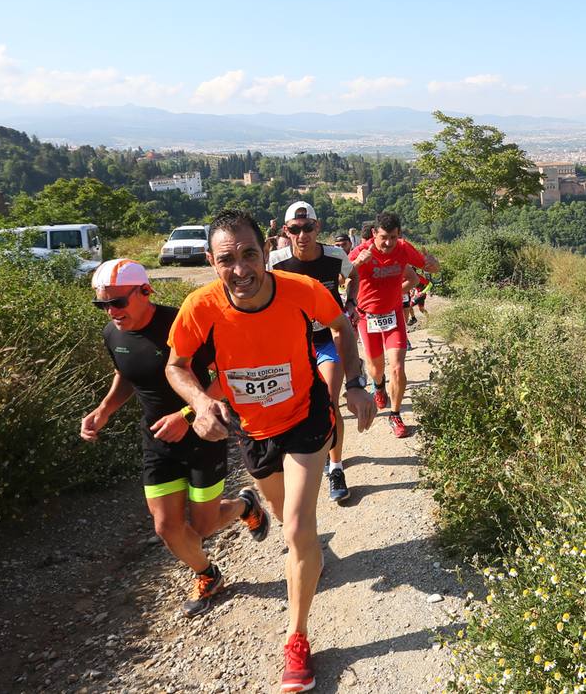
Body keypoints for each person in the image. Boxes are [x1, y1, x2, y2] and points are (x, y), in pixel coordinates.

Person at [166, 210, 376, 692]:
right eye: (227, 260)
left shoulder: (301, 291)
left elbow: (341, 326)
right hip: (252, 430)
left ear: (266, 253)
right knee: (287, 521)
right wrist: (199, 402)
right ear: (210, 261)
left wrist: (357, 383)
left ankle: (296, 637)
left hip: (304, 417)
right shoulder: (200, 307)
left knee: (299, 527)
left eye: (249, 255)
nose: (240, 269)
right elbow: (177, 365)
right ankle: (275, 523)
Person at [80, 258, 269, 619]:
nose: (111, 312)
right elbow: (128, 374)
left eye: (118, 302)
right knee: (166, 527)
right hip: (157, 440)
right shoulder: (112, 334)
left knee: (203, 526)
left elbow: (228, 373)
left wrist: (188, 414)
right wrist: (104, 410)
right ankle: (208, 575)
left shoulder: (181, 323)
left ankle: (245, 505)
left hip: (202, 432)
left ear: (145, 291)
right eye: (102, 304)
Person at [268, 201, 357, 504]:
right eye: (295, 229)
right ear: (286, 231)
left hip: (327, 339)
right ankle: (300, 461)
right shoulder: (276, 262)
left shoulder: (335, 256)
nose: (302, 234)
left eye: (308, 228)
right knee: (294, 408)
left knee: (330, 404)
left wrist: (351, 303)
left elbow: (353, 275)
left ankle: (336, 468)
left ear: (318, 228)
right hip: (293, 345)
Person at [347, 211, 439, 438]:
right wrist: (357, 264)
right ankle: (378, 385)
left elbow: (426, 269)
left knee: (397, 366)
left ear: (399, 235)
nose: (388, 243)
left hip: (394, 316)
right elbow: (342, 277)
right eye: (384, 237)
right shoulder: (362, 251)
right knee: (376, 368)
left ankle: (395, 415)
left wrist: (434, 264)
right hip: (367, 317)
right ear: (373, 234)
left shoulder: (404, 248)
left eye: (393, 237)